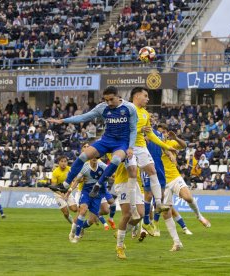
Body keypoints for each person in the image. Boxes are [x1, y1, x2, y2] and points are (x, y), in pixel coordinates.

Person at [48, 86, 138, 200]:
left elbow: (133, 129)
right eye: (106, 100)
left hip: (121, 143)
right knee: (83, 155)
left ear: (118, 97)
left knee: (115, 160)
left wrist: (130, 147)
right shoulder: (102, 107)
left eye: (111, 99)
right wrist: (63, 120)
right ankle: (65, 185)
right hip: (106, 140)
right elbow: (83, 117)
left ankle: (98, 185)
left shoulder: (129, 108)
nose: (109, 102)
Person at [126, 87, 175, 218]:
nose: (148, 99)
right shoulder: (127, 109)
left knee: (152, 171)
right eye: (145, 96)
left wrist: (166, 146)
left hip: (141, 147)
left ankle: (158, 203)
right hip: (128, 146)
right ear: (136, 96)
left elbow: (150, 134)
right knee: (132, 174)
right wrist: (140, 129)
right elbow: (123, 131)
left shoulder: (145, 114)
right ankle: (133, 208)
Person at [109, 155, 145, 259]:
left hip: (134, 182)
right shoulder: (116, 144)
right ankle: (119, 247)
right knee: (127, 214)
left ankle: (120, 233)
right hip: (123, 182)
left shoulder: (134, 143)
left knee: (140, 214)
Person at [65, 157, 108, 244]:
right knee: (83, 210)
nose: (95, 158)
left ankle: (80, 227)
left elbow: (112, 173)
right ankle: (76, 236)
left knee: (92, 220)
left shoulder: (103, 166)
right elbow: (77, 180)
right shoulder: (85, 167)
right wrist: (69, 192)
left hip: (98, 193)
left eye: (97, 156)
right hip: (86, 192)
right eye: (93, 156)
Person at [49, 156, 78, 224]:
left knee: (74, 209)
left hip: (68, 191)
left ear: (67, 162)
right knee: (66, 213)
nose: (63, 163)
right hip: (58, 192)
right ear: (58, 163)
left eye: (65, 161)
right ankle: (73, 224)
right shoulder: (55, 172)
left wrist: (68, 192)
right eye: (61, 161)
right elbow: (53, 187)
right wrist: (62, 194)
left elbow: (76, 180)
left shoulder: (70, 169)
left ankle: (76, 223)